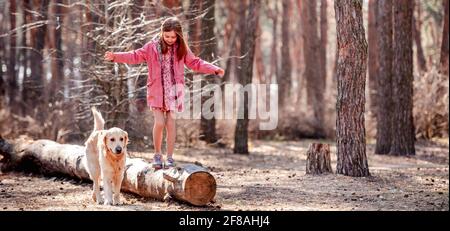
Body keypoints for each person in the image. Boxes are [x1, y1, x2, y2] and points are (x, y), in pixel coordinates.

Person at [104, 17, 224, 169]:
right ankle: (157, 154)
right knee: (160, 122)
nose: (170, 39)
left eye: (173, 37)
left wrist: (214, 68)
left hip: (174, 93)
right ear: (162, 33)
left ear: (178, 36)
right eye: (167, 36)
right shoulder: (152, 47)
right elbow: (135, 55)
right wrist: (116, 56)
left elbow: (195, 62)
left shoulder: (182, 49)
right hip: (156, 91)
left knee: (171, 124)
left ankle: (170, 157)